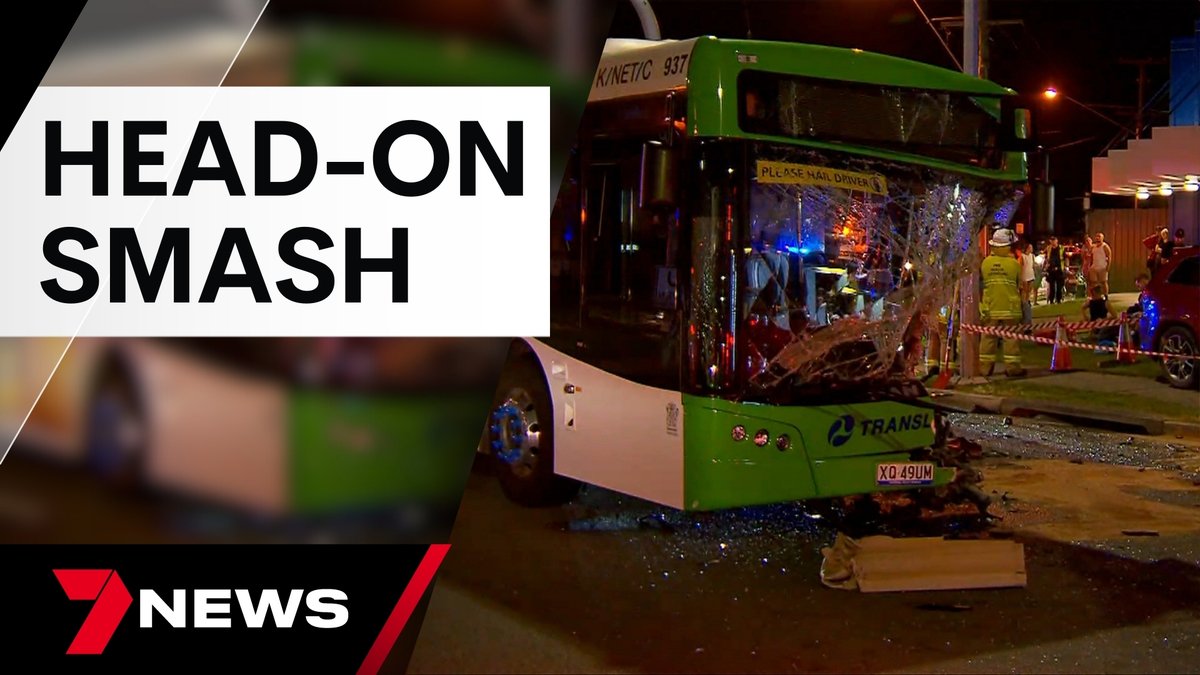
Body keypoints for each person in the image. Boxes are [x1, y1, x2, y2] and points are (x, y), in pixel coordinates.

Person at [979, 228, 1026, 377]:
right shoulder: (1014, 264)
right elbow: (1021, 285)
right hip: (1010, 307)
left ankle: (985, 369)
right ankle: (1012, 368)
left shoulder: (986, 263)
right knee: (1011, 338)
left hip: (990, 306)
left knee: (987, 338)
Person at [1044, 236, 1065, 304]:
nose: (1053, 242)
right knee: (1051, 286)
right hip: (1051, 270)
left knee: (1059, 286)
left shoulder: (1061, 248)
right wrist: (1046, 266)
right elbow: (1046, 258)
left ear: (1057, 241)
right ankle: (1051, 300)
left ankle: (1058, 299)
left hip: (1059, 269)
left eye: (1054, 240)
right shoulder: (1048, 248)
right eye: (1051, 240)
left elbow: (1065, 257)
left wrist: (1066, 266)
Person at [1090, 232, 1112, 296]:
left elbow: (1109, 256)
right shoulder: (1093, 247)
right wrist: (1091, 265)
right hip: (1094, 267)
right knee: (1094, 282)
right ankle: (1096, 295)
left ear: (1102, 238)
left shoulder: (1105, 246)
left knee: (1103, 282)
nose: (1097, 238)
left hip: (1102, 267)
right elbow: (1092, 256)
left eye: (1099, 237)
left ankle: (1106, 295)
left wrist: (1108, 266)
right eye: (1097, 237)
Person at [1019, 241, 1035, 326]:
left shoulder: (1032, 256)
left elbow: (1033, 265)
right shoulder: (1022, 256)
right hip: (1025, 276)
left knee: (1029, 292)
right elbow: (1021, 267)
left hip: (1031, 275)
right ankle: (1024, 305)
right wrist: (1021, 279)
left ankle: (1027, 304)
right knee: (1024, 293)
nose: (1032, 249)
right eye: (1030, 247)